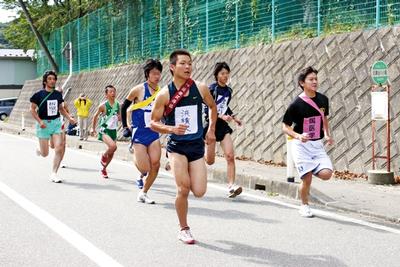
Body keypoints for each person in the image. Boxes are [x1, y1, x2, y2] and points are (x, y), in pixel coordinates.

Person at [151, 49, 217, 244]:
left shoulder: (201, 87)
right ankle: (184, 228)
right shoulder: (164, 94)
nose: (188, 66)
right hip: (177, 147)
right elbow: (153, 122)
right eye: (183, 63)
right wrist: (171, 129)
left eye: (190, 63)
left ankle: (176, 167)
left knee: (200, 191)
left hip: (196, 146)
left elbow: (213, 107)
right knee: (183, 189)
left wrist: (211, 129)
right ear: (172, 67)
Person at [282, 66, 334, 218]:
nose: (315, 82)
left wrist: (327, 134)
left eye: (316, 79)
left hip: (317, 145)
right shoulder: (296, 104)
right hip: (301, 145)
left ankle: (309, 170)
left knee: (327, 174)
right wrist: (298, 136)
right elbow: (285, 127)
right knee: (307, 179)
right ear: (302, 83)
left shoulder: (323, 99)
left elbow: (324, 118)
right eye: (311, 79)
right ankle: (304, 205)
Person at [121, 59, 163, 204]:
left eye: (159, 73)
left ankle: (144, 192)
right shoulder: (138, 89)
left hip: (153, 132)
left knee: (156, 164)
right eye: (153, 73)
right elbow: (124, 106)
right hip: (138, 132)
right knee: (144, 167)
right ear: (147, 74)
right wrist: (126, 127)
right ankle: (134, 152)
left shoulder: (161, 92)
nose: (157, 76)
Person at [203, 62, 243, 198]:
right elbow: (206, 108)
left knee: (230, 156)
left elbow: (225, 106)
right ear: (216, 75)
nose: (225, 76)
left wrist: (234, 117)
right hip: (211, 126)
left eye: (227, 73)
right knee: (209, 161)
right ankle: (194, 158)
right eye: (222, 73)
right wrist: (220, 116)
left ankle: (231, 186)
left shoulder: (228, 91)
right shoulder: (211, 89)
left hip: (223, 127)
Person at [30, 70, 76, 183]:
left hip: (56, 123)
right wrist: (40, 121)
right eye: (50, 79)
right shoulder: (38, 95)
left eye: (54, 79)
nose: (52, 81)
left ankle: (54, 173)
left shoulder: (57, 94)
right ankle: (40, 150)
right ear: (45, 81)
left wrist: (69, 118)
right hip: (43, 125)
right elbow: (32, 109)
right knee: (45, 154)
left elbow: (61, 108)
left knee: (59, 147)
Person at [91, 85, 120, 179]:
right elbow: (95, 116)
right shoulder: (103, 106)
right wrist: (93, 128)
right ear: (106, 94)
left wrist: (121, 119)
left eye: (114, 91)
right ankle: (103, 155)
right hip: (104, 130)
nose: (113, 93)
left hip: (113, 130)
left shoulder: (117, 104)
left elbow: (119, 117)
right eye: (110, 92)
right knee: (113, 146)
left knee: (112, 153)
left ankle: (104, 169)